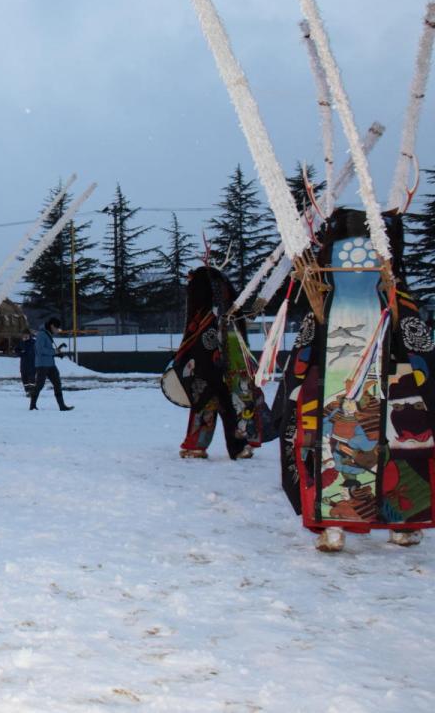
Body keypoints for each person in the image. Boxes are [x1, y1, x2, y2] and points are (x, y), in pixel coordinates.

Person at [278, 208, 433, 552]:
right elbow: (421, 349)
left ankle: (336, 526)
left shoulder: (326, 299)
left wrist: (289, 394)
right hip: (395, 388)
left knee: (341, 453)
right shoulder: (394, 297)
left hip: (339, 391)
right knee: (398, 453)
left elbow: (301, 356)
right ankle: (397, 526)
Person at [167, 267, 269, 460]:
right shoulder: (229, 314)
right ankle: (240, 444)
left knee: (209, 402)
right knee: (234, 402)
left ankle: (201, 446)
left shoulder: (205, 316)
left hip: (210, 366)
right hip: (231, 364)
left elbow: (197, 342)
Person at [30, 318, 73, 412]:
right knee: (39, 385)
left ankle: (62, 406)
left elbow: (48, 349)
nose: (58, 330)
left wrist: (57, 353)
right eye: (57, 328)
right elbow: (40, 350)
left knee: (57, 383)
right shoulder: (41, 334)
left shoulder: (47, 334)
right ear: (52, 326)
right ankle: (32, 405)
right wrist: (54, 351)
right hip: (42, 365)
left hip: (50, 364)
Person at [18, 330, 37, 408]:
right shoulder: (21, 343)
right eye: (24, 336)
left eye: (26, 336)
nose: (25, 337)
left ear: (29, 335)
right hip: (24, 364)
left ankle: (32, 392)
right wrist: (21, 353)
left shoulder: (34, 342)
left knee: (31, 378)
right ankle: (27, 391)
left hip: (32, 364)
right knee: (24, 378)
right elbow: (16, 350)